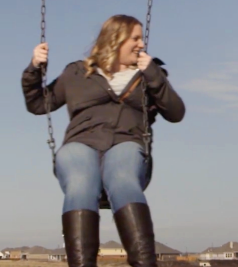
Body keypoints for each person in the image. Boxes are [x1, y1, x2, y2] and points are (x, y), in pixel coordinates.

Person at [21, 14, 185, 267]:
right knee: (80, 184)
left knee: (122, 178)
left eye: (141, 38)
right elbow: (37, 104)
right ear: (115, 39)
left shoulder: (148, 76)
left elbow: (176, 113)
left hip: (126, 141)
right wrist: (34, 68)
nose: (141, 44)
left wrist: (153, 74)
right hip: (80, 143)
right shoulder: (76, 72)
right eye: (135, 38)